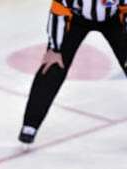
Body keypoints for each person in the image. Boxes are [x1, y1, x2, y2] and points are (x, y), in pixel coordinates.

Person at [19, 0, 127, 144]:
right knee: (53, 65)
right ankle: (30, 124)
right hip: (76, 18)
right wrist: (54, 48)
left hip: (115, 18)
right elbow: (58, 9)